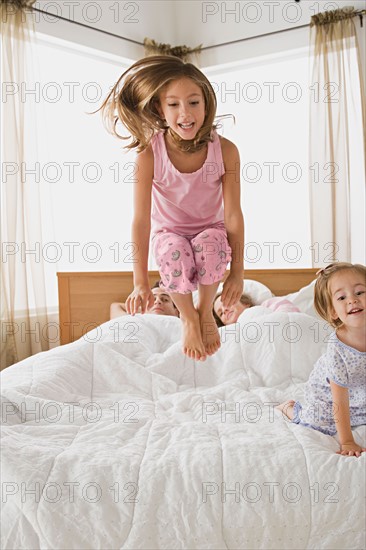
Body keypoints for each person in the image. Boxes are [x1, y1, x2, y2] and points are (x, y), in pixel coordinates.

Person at [99, 55, 244, 361]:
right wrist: (140, 283)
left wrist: (238, 273)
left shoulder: (226, 150)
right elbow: (140, 221)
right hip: (169, 234)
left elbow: (232, 215)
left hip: (210, 231)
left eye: (193, 102)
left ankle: (204, 312)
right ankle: (187, 316)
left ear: (206, 104)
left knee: (210, 243)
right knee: (173, 248)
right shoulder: (150, 154)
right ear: (160, 110)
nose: (185, 113)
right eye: (174, 104)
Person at [277, 262, 366, 457]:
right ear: (334, 311)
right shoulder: (338, 349)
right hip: (329, 397)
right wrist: (348, 441)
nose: (352, 300)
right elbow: (339, 401)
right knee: (318, 420)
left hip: (359, 391)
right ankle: (289, 408)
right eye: (342, 297)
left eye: (360, 292)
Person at [213, 292, 300, 327]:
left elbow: (290, 316)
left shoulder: (268, 305)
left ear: (245, 303)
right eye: (220, 313)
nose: (224, 310)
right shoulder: (229, 334)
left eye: (227, 303)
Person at [110, 282, 179, 319]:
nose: (157, 301)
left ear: (176, 312)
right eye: (153, 299)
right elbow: (116, 306)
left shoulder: (185, 325)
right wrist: (143, 310)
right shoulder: (135, 322)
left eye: (165, 300)